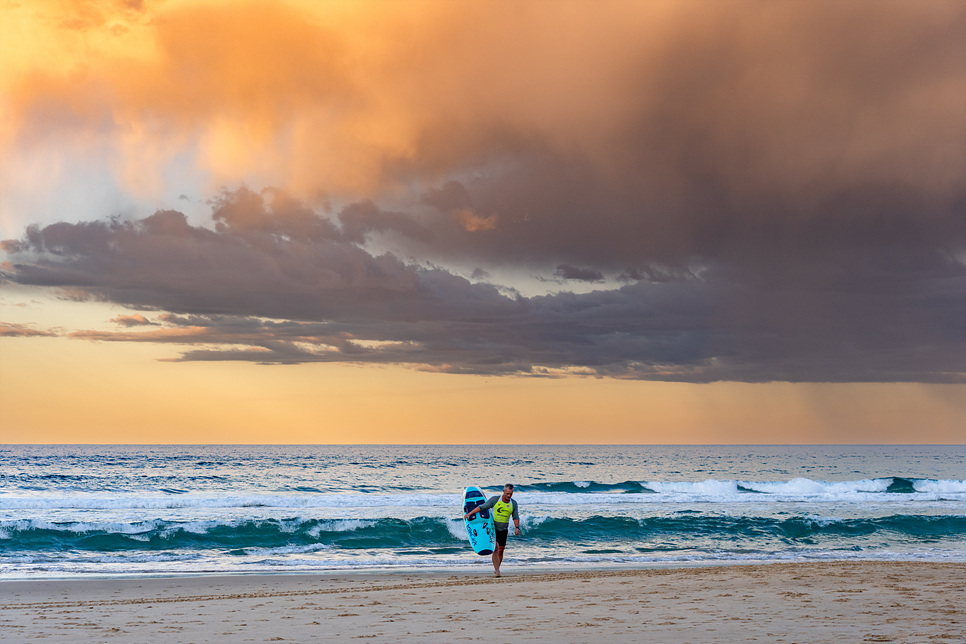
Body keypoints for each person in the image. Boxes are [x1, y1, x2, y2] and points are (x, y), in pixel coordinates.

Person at [464, 483, 519, 577]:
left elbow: (515, 516)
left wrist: (517, 527)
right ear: (504, 492)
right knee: (496, 548)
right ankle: (497, 571)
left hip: (504, 529)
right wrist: (469, 514)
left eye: (511, 494)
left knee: (501, 550)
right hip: (493, 528)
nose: (509, 496)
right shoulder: (495, 500)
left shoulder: (513, 503)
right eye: (508, 493)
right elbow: (482, 507)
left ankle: (497, 568)